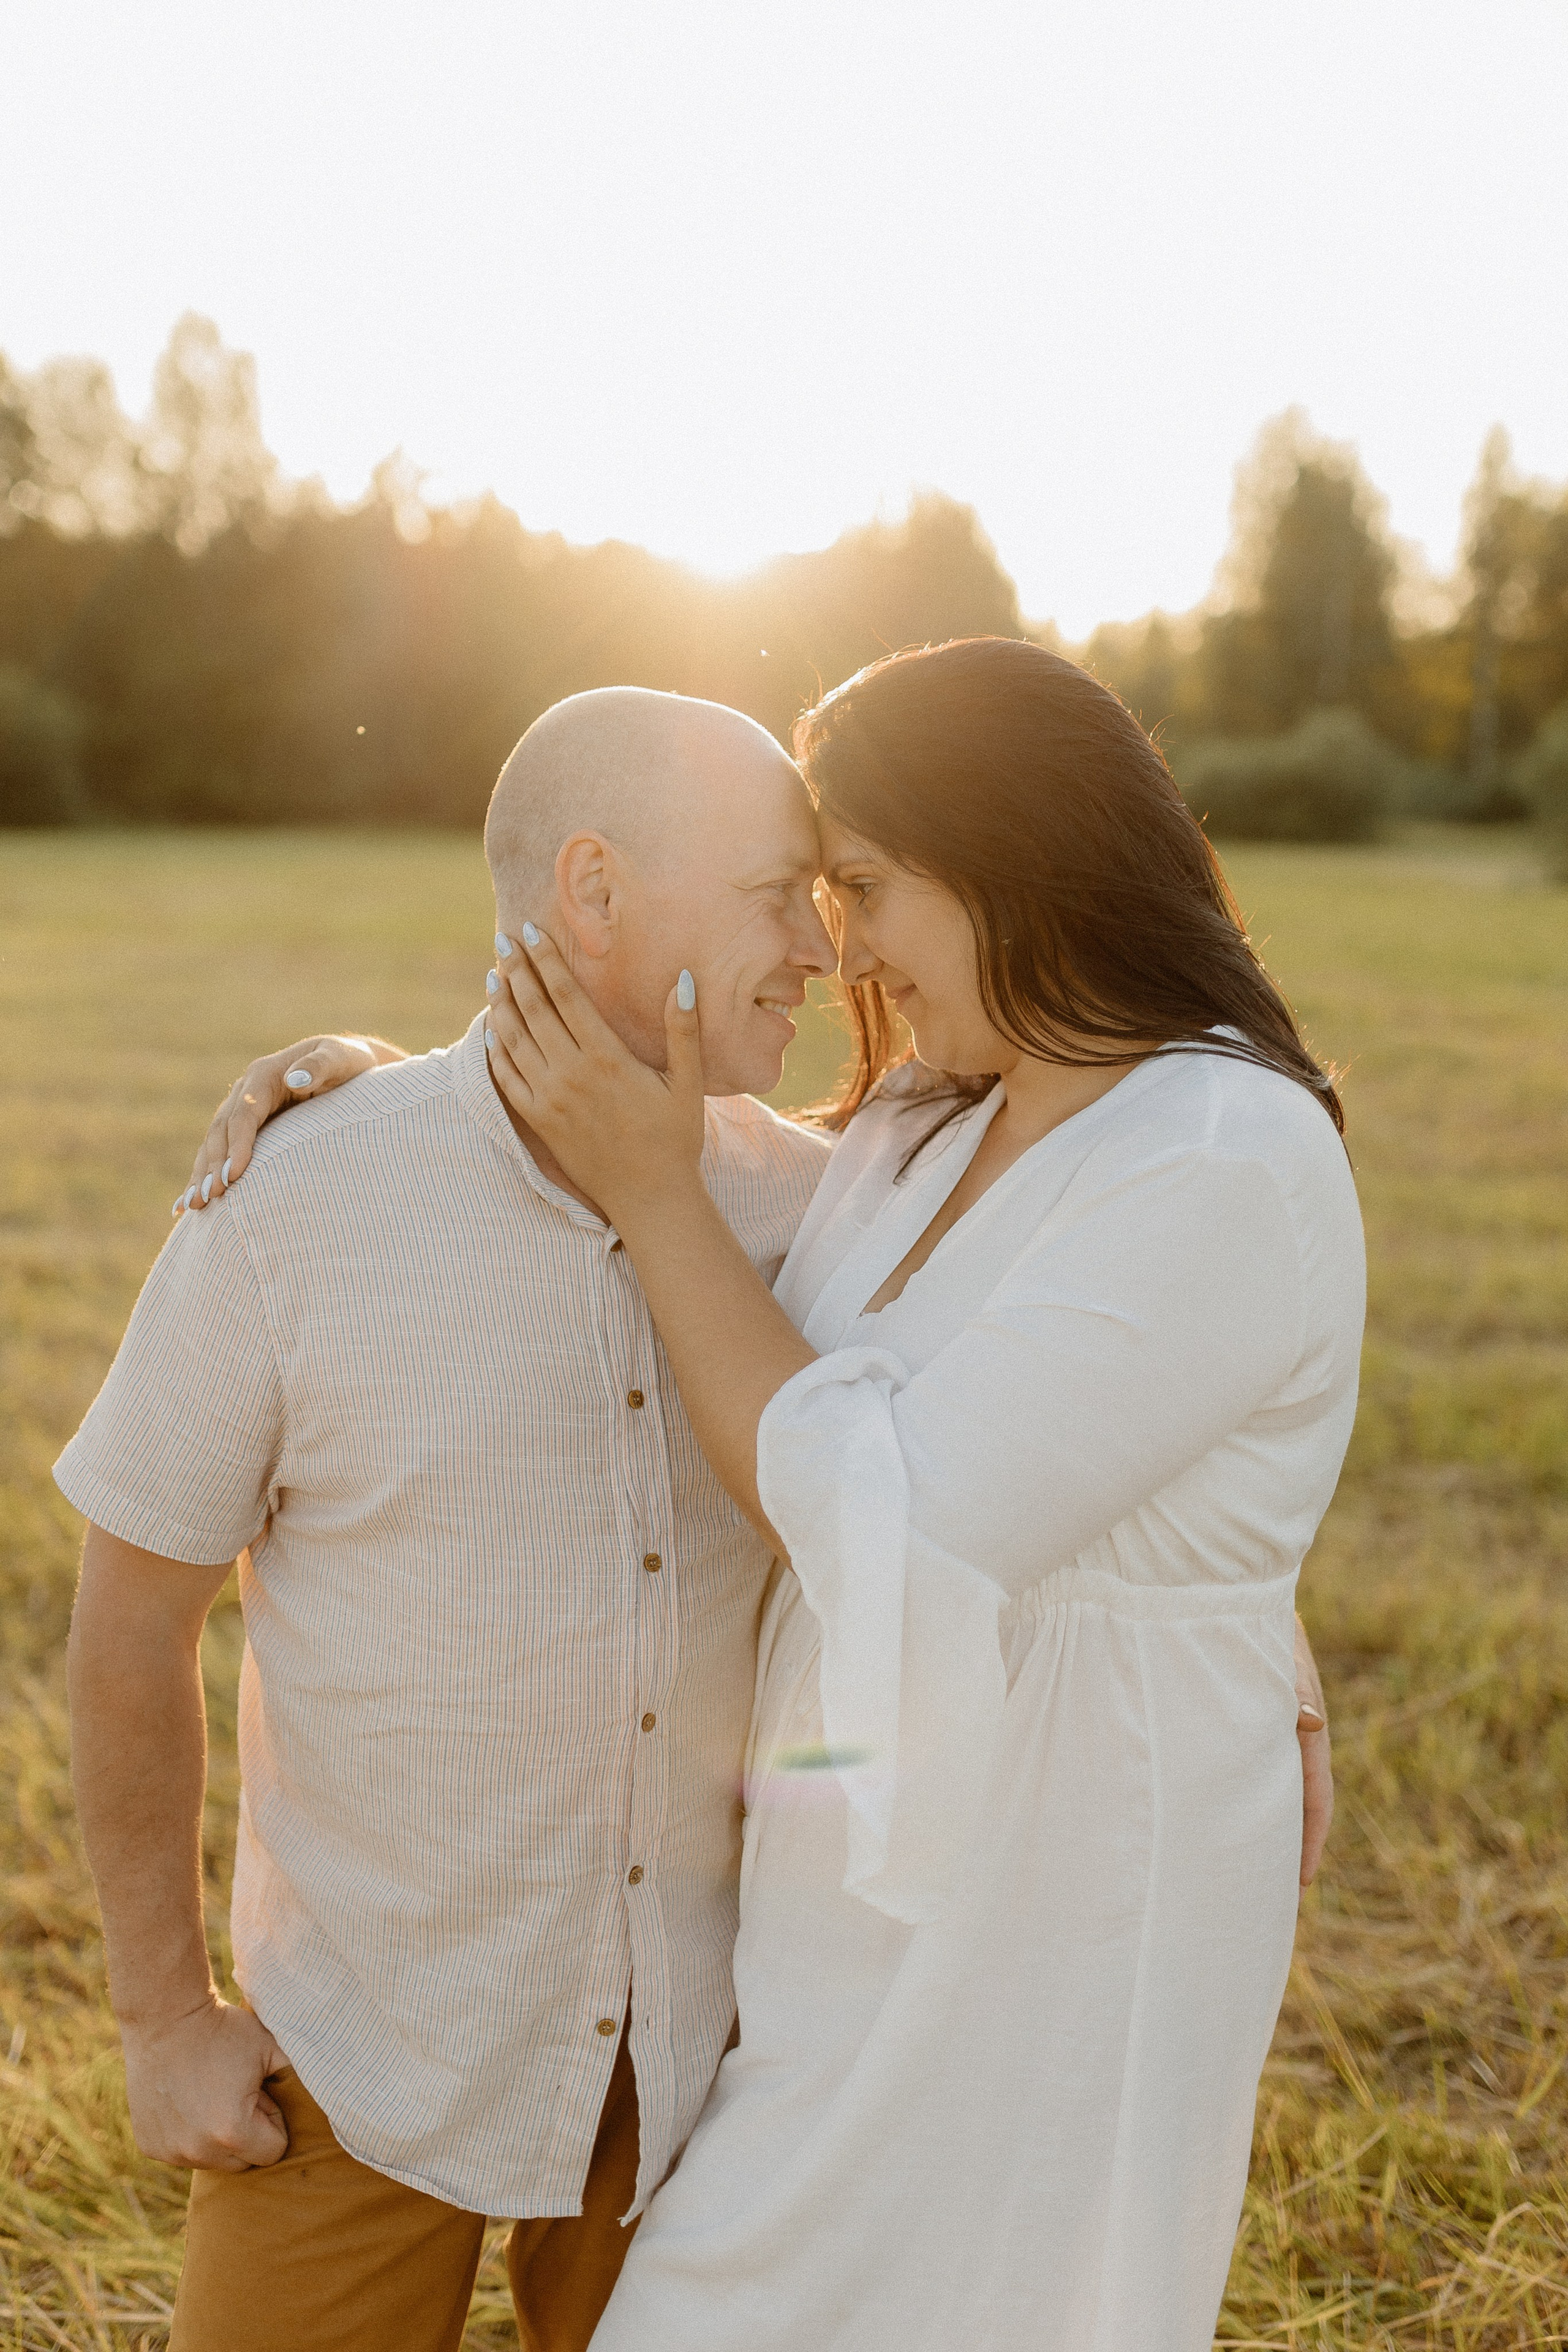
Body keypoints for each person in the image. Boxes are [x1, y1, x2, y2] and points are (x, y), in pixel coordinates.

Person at [161, 657, 1335, 2348]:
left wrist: (650, 1193)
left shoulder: (1222, 1145)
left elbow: (915, 1498)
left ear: (1012, 857)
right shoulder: (928, 1130)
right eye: (810, 893)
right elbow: (996, 1376)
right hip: (828, 1929)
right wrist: (401, 1095)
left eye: (858, 887)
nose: (839, 946)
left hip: (1058, 1887)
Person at [59, 688, 840, 2352]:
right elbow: (132, 1619)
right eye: (780, 891)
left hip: (702, 2083)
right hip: (353, 2060)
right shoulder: (302, 1200)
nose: (819, 948)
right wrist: (159, 2015)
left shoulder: (825, 1214)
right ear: (595, 890)